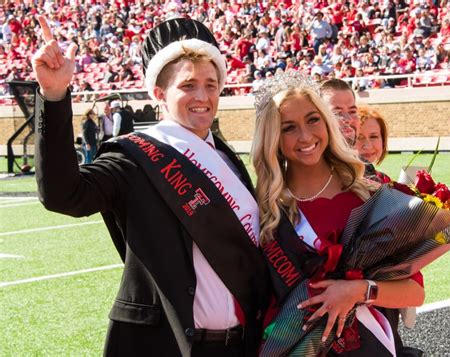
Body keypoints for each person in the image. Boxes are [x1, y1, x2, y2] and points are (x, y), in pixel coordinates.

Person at [32, 16, 270, 356]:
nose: (202, 96)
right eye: (188, 85)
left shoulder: (227, 157)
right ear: (159, 93)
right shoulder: (132, 158)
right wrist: (54, 95)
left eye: (211, 84)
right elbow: (64, 195)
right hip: (169, 344)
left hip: (242, 345)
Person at [251, 70, 424, 356]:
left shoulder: (369, 194)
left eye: (312, 119)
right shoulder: (265, 209)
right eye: (288, 127)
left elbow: (414, 293)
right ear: (272, 138)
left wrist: (358, 291)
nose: (305, 136)